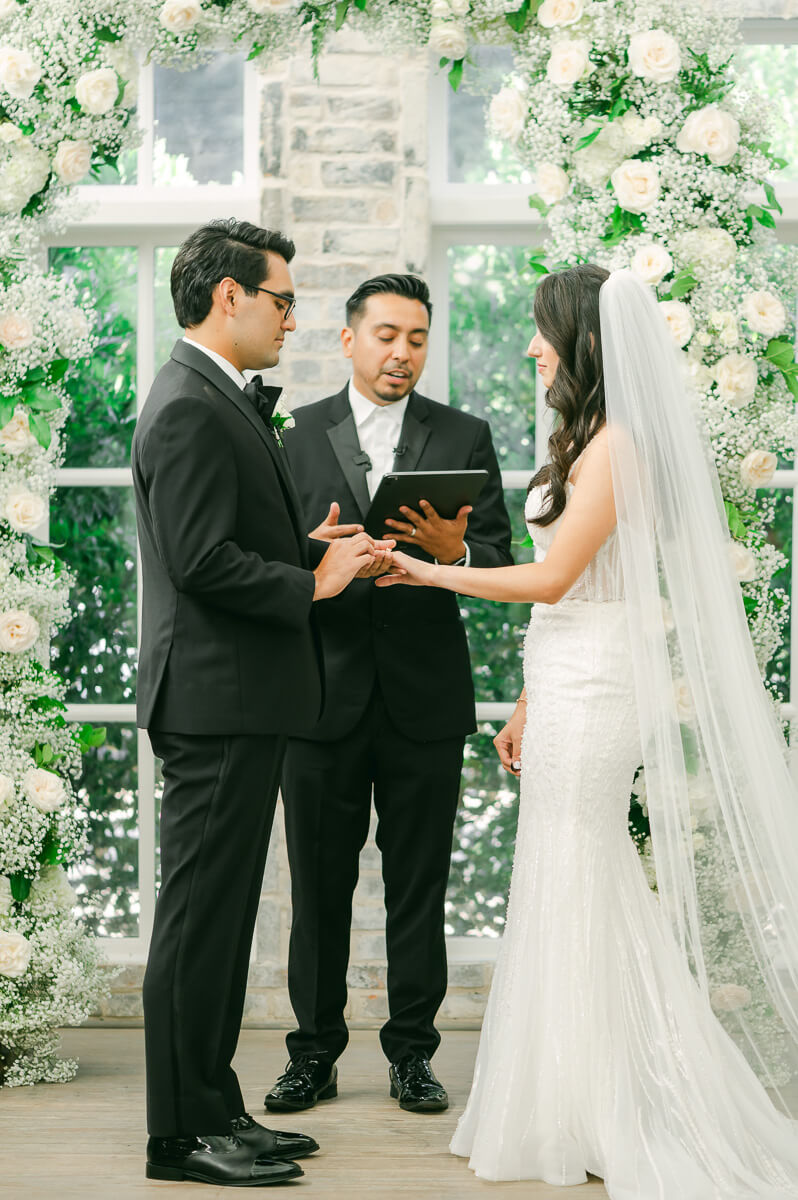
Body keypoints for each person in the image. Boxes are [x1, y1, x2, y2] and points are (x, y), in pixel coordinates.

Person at [375, 265, 798, 1197]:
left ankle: (622, 1100)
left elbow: (557, 581)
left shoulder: (618, 449)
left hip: (604, 687)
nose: (532, 347)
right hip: (567, 679)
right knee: (566, 876)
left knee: (580, 868)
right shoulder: (588, 440)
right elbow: (570, 587)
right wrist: (527, 697)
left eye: (544, 333)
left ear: (587, 345)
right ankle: (568, 1097)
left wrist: (423, 573)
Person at [132, 219, 392, 1187]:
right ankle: (182, 1137)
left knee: (222, 918)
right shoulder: (190, 404)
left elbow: (222, 537)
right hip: (216, 702)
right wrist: (314, 584)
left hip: (239, 699)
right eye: (281, 300)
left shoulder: (214, 396)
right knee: (198, 921)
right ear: (229, 297)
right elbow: (198, 562)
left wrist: (302, 544)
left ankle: (214, 1106)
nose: (291, 318)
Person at [264, 273, 513, 1116]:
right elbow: (265, 562)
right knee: (318, 893)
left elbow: (499, 560)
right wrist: (317, 561)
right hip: (319, 701)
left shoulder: (465, 433)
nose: (401, 352)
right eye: (386, 335)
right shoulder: (290, 436)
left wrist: (455, 553)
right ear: (348, 339)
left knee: (420, 888)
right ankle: (313, 1056)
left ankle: (414, 1056)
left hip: (425, 703)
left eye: (416, 338)